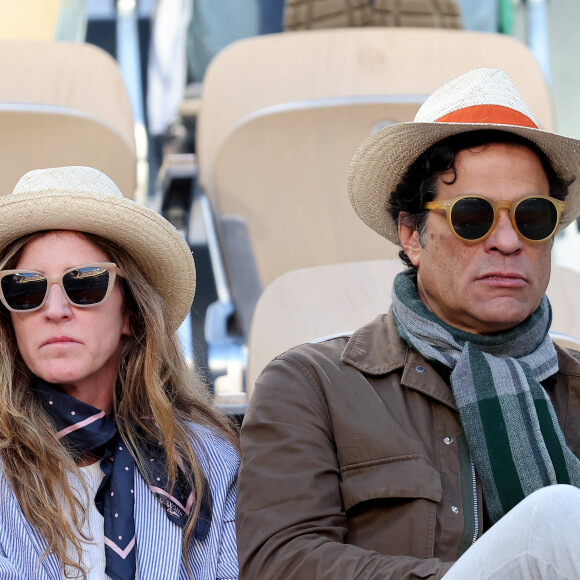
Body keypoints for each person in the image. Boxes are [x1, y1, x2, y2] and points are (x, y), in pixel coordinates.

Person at [235, 68, 580, 579]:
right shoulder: (310, 384)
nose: (507, 242)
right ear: (412, 236)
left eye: (531, 218)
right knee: (556, 519)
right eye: (472, 217)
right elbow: (279, 563)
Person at [0, 166, 239, 579]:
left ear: (130, 313)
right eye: (26, 288)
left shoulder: (210, 461)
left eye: (85, 284)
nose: (55, 311)